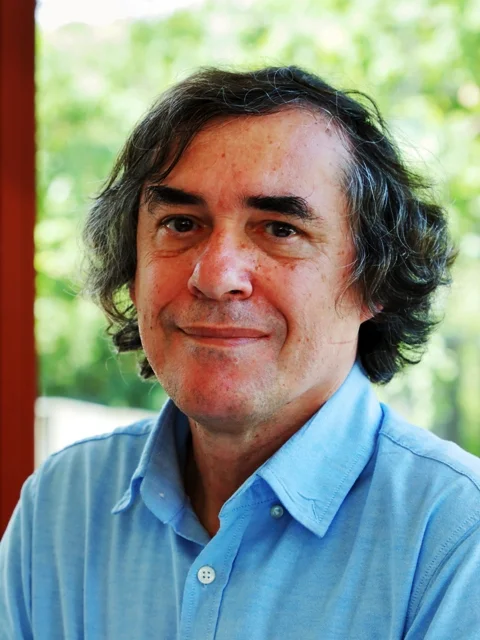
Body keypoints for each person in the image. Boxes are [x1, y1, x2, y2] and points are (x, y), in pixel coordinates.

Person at [1, 66, 479, 640]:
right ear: (133, 268)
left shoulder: (457, 538)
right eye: (181, 223)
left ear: (374, 281)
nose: (215, 275)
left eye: (279, 229)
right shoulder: (61, 506)